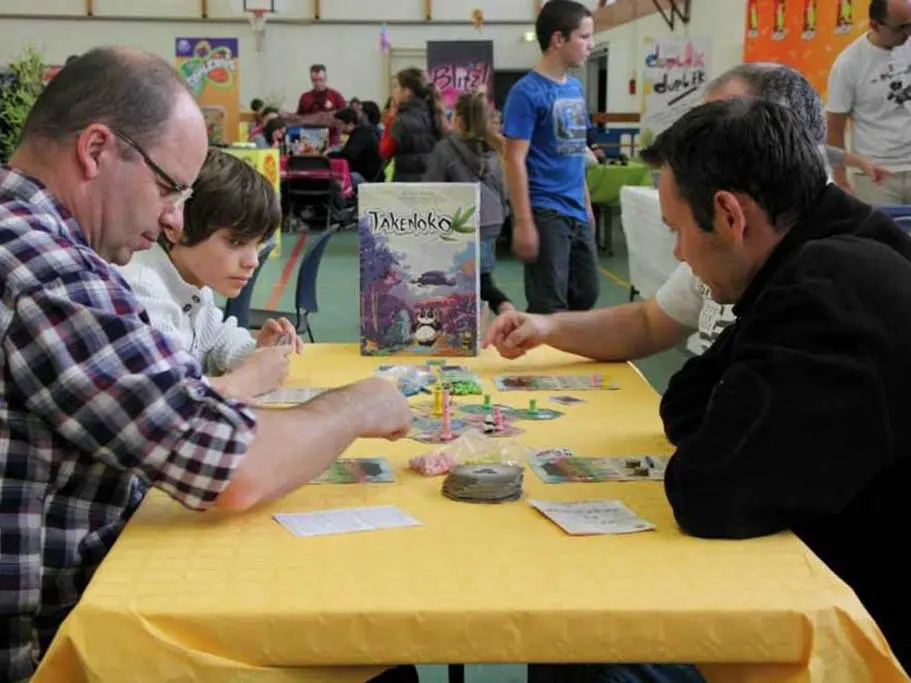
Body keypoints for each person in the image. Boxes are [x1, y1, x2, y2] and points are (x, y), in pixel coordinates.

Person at [0, 46, 412, 682]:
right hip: (50, 645)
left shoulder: (30, 238)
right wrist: (361, 403)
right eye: (169, 188)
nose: (172, 217)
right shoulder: (49, 273)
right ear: (97, 150)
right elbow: (230, 466)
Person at [650, 97, 911, 672]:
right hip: (848, 573)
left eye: (677, 231)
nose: (678, 253)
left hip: (868, 635)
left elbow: (710, 492)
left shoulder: (826, 290)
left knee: (609, 652)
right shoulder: (833, 246)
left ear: (728, 215)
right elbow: (686, 405)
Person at [483, 63, 877, 362]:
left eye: (718, 132)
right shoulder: (729, 242)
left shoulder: (836, 285)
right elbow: (649, 323)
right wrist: (547, 325)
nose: (699, 147)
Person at [118, 149, 298, 401]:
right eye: (235, 242)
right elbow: (169, 399)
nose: (252, 261)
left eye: (257, 246)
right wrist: (248, 380)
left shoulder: (192, 281)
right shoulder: (142, 289)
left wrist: (257, 351)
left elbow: (216, 337)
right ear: (175, 227)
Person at [502, 0, 600, 315]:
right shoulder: (526, 92)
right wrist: (523, 222)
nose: (590, 45)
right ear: (559, 40)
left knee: (586, 293)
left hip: (576, 209)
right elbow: (513, 159)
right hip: (546, 211)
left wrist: (586, 204)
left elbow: (575, 153)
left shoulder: (575, 88)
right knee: (549, 304)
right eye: (584, 37)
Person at [423, 91, 515, 315]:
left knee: (472, 282)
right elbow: (505, 188)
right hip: (492, 221)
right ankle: (491, 318)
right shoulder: (496, 148)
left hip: (461, 223)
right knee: (480, 278)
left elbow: (431, 189)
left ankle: (507, 313)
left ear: (459, 119)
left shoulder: (445, 150)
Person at [827, 0, 911, 204]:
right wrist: (840, 180)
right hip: (876, 176)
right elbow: (834, 130)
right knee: (882, 235)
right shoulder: (848, 64)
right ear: (874, 24)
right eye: (901, 27)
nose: (908, 33)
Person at [379, 67, 446, 181]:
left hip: (407, 182)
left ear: (407, 91)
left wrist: (390, 119)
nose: (393, 92)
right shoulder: (436, 114)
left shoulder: (401, 121)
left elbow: (385, 151)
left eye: (396, 87)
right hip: (433, 179)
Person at [331, 107, 383, 184]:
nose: (337, 127)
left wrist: (328, 156)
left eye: (339, 124)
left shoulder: (360, 135)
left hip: (367, 178)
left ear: (351, 124)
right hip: (364, 173)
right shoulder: (359, 132)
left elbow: (347, 156)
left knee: (336, 180)